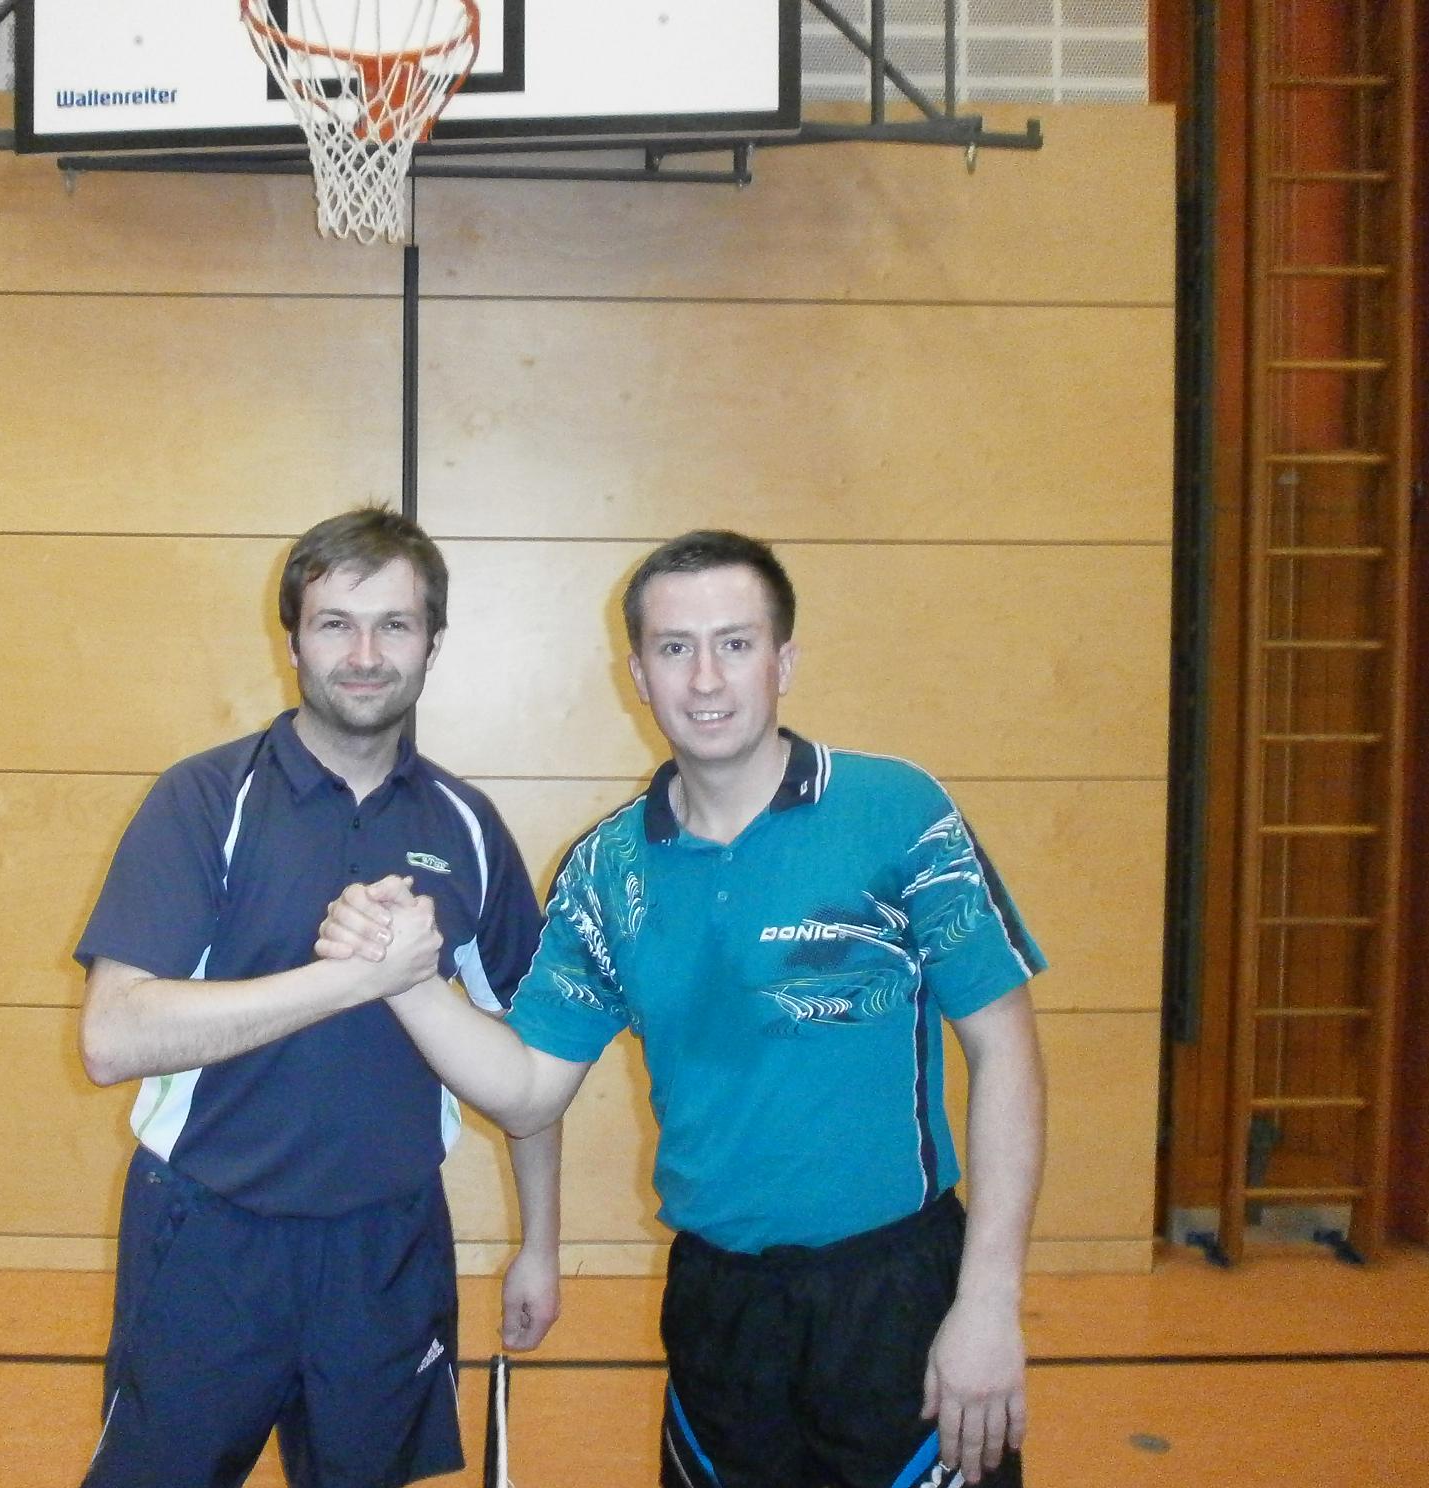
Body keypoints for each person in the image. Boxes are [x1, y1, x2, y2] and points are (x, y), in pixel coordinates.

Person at [319, 529, 1047, 1488]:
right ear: (638, 674)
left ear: (784, 661)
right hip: (717, 1302)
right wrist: (407, 981)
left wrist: (988, 1299)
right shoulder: (606, 869)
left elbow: (1006, 1052)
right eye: (675, 648)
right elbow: (529, 1089)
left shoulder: (898, 812)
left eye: (735, 644)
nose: (706, 679)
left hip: (896, 1294)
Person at [75, 507, 562, 1488]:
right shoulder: (205, 800)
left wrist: (540, 1245)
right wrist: (351, 981)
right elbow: (112, 1037)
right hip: (206, 1235)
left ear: (433, 644)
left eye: (395, 625)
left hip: (389, 1247)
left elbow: (533, 1058)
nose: (366, 655)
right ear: (292, 641)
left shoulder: (467, 826)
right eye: (336, 624)